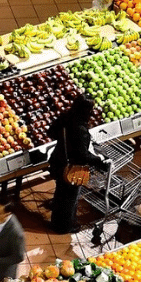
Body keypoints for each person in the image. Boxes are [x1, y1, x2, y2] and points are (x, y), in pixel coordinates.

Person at [47, 95, 108, 234]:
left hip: (58, 161)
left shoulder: (65, 117)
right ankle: (64, 227)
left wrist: (64, 142)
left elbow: (51, 132)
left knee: (60, 193)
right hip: (71, 169)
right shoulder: (80, 129)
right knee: (69, 198)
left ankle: (56, 222)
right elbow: (82, 155)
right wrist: (99, 161)